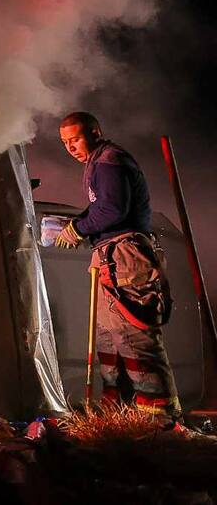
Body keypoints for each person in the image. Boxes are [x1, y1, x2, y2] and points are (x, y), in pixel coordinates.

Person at [55, 111, 179, 417]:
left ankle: (158, 419)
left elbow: (111, 209)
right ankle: (121, 416)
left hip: (126, 258)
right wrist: (79, 222)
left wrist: (77, 229)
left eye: (76, 139)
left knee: (134, 337)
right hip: (111, 258)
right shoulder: (98, 163)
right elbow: (102, 209)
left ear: (95, 132)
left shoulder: (110, 161)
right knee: (110, 340)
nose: (70, 147)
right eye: (65, 142)